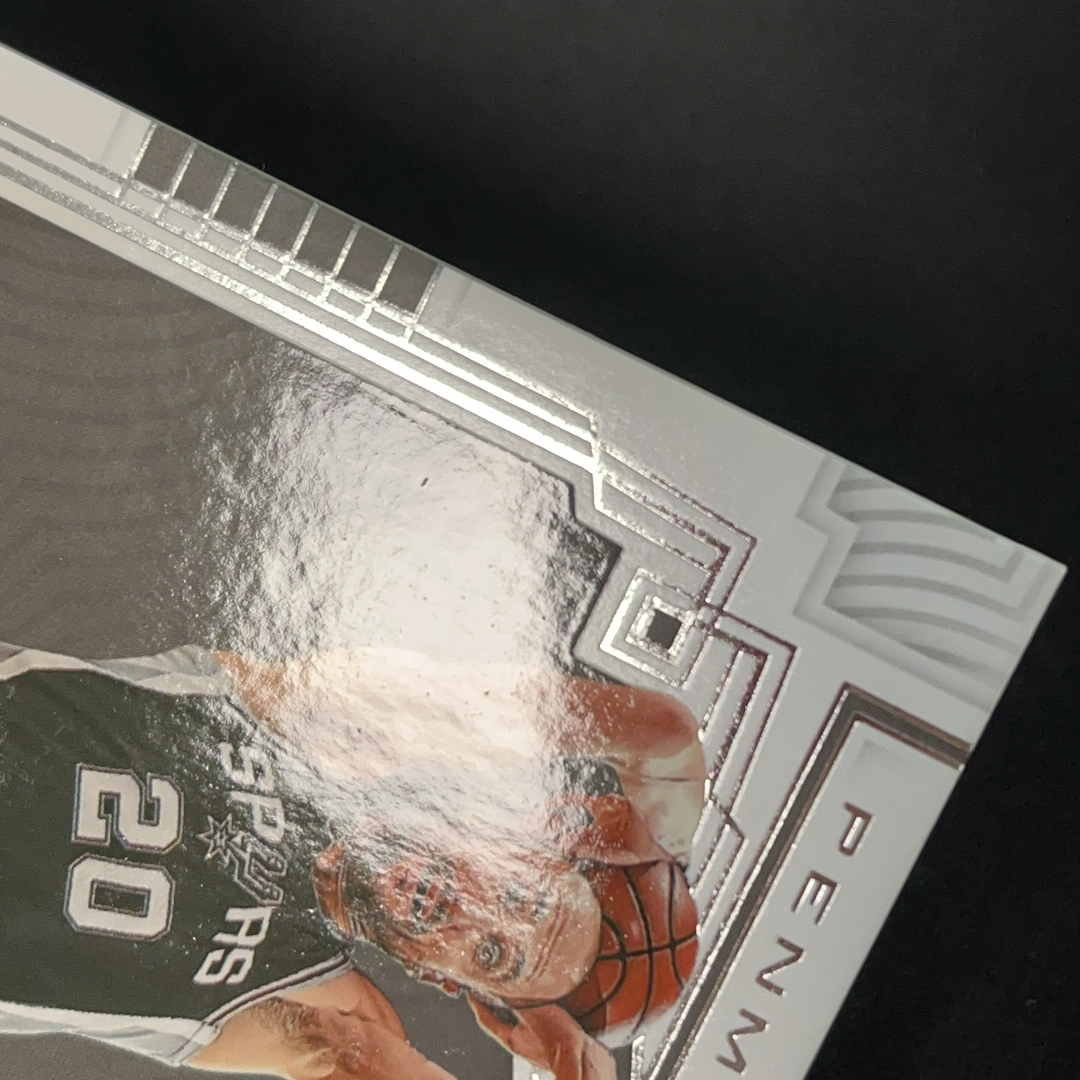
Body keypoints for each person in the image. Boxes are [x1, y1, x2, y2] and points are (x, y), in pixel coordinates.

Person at [0, 640, 706, 1080]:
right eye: (520, 895)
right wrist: (656, 843)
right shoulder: (327, 729)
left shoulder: (319, 1008)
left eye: (492, 954)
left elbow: (367, 1067)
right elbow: (666, 734)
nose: (471, 913)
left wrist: (564, 1059)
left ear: (446, 980)